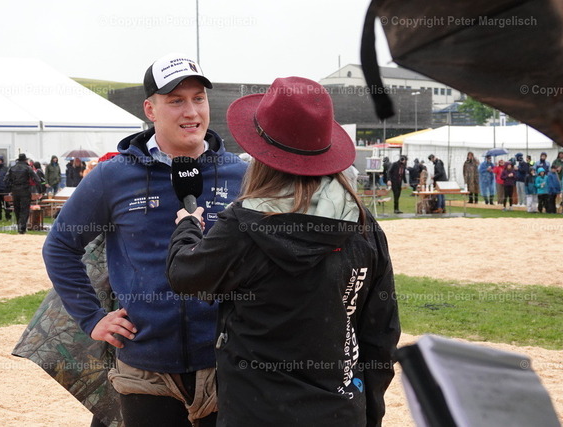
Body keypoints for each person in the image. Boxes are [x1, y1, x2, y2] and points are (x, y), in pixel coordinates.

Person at [166, 76, 400, 427]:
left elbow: (185, 276)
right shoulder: (363, 226)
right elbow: (380, 336)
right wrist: (369, 414)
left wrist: (187, 226)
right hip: (339, 412)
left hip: (257, 413)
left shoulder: (243, 227)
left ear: (261, 154)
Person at [42, 53, 247, 426]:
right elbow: (59, 247)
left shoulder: (241, 175)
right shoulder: (113, 175)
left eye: (198, 99)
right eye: (176, 101)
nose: (191, 112)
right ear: (150, 109)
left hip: (225, 365)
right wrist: (92, 318)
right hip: (145, 370)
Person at [5, 153, 40, 234]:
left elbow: (6, 179)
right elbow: (37, 179)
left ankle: (19, 226)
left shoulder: (12, 168)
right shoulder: (28, 168)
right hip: (25, 190)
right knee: (24, 209)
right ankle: (22, 227)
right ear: (25, 160)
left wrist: (11, 187)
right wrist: (39, 189)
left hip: (15, 190)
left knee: (17, 209)